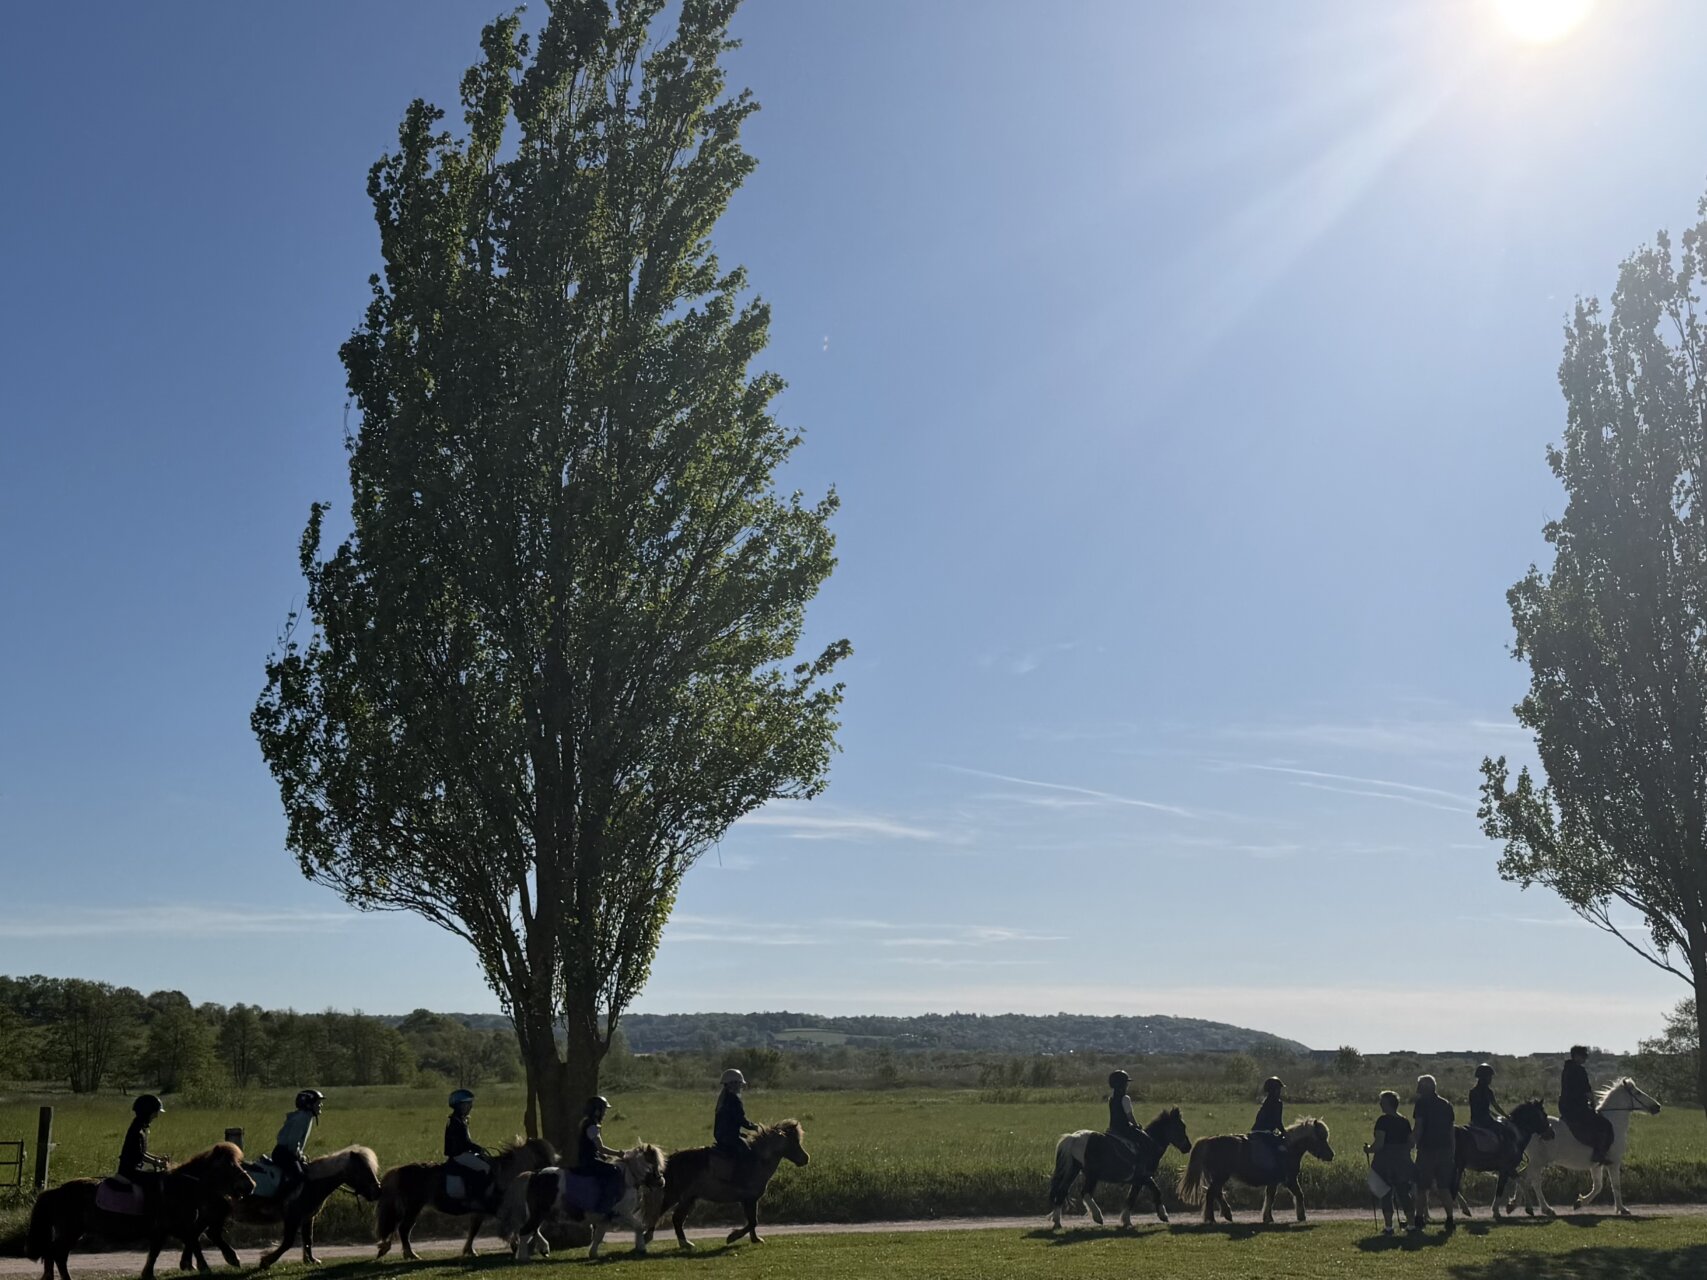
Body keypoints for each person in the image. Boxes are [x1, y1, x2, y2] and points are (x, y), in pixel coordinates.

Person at [1409, 1075, 1456, 1233]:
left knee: (1422, 1187)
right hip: (1445, 1151)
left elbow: (1419, 1127)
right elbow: (1451, 1131)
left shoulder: (1422, 1104)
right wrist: (1452, 1151)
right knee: (1444, 1188)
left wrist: (1411, 1142)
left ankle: (1419, 1218)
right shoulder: (1446, 1104)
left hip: (1427, 1151)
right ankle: (1450, 1219)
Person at [1366, 1090, 1415, 1237]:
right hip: (1402, 1161)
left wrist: (1369, 1149)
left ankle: (1388, 1227)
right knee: (1404, 1192)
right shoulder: (1404, 1121)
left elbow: (1379, 1144)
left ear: (1388, 1104)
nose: (1380, 1104)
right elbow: (1410, 1143)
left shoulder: (1383, 1121)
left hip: (1385, 1161)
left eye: (1382, 1102)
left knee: (1386, 1193)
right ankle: (1411, 1225)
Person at [116, 1094, 169, 1214]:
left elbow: (143, 1152)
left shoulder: (140, 1128)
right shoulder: (137, 1131)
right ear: (147, 1113)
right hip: (129, 1172)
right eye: (155, 1112)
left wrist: (157, 1158)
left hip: (134, 1169)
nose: (156, 1116)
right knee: (156, 1184)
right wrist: (157, 1162)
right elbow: (139, 1155)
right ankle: (148, 1216)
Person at [1559, 1045, 1612, 1164]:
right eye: (1583, 1056)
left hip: (1564, 1106)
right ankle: (1598, 1154)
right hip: (1577, 1107)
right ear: (1577, 1056)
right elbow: (1587, 1090)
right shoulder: (1579, 1070)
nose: (1585, 1059)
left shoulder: (1566, 1069)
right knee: (1604, 1125)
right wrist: (1594, 1104)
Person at [443, 1089, 495, 1208]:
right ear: (460, 1105)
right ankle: (477, 1198)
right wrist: (478, 1149)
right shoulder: (456, 1121)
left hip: (462, 1153)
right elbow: (465, 1142)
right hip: (459, 1155)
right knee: (486, 1168)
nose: (470, 1107)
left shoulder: (458, 1119)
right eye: (468, 1104)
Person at [271, 1089, 324, 1198]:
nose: (321, 1105)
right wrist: (300, 1157)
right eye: (318, 1102)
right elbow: (292, 1142)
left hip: (288, 1153)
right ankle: (277, 1202)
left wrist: (300, 1156)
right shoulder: (302, 1118)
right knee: (299, 1177)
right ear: (309, 1104)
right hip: (284, 1153)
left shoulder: (306, 1116)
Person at [575, 1096, 623, 1209]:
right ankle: (606, 1203)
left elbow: (594, 1148)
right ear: (597, 1111)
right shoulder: (592, 1127)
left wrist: (603, 1156)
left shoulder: (589, 1123)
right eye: (604, 1110)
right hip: (589, 1162)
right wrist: (618, 1153)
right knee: (615, 1171)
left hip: (589, 1159)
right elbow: (601, 1147)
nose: (605, 1113)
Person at [713, 1067, 761, 1178]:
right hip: (729, 1137)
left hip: (721, 1136)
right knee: (750, 1153)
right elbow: (741, 1120)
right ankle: (739, 1178)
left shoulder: (723, 1099)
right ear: (732, 1084)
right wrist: (754, 1127)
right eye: (739, 1083)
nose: (740, 1086)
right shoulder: (734, 1099)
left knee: (745, 1139)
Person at [1467, 1063, 1514, 1160]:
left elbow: (1482, 1108)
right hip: (1485, 1121)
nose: (1491, 1079)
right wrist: (1506, 1116)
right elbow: (1496, 1106)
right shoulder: (1488, 1092)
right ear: (1485, 1077)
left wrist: (1494, 1114)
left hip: (1474, 1120)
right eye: (1489, 1077)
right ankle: (1504, 1156)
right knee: (1504, 1131)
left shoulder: (1473, 1091)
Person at [1248, 1077, 1286, 1181]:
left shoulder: (1266, 1102)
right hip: (1266, 1133)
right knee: (1282, 1149)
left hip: (1256, 1131)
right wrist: (1285, 1132)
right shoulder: (1277, 1103)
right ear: (1274, 1090)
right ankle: (1277, 1172)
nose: (1279, 1092)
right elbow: (1277, 1121)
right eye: (1278, 1089)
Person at [1105, 1070, 1148, 1157]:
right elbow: (1129, 1116)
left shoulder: (1112, 1098)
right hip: (1124, 1129)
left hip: (1113, 1128)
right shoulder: (1125, 1098)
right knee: (1145, 1141)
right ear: (1122, 1084)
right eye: (1126, 1083)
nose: (1127, 1085)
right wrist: (1136, 1126)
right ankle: (1140, 1164)